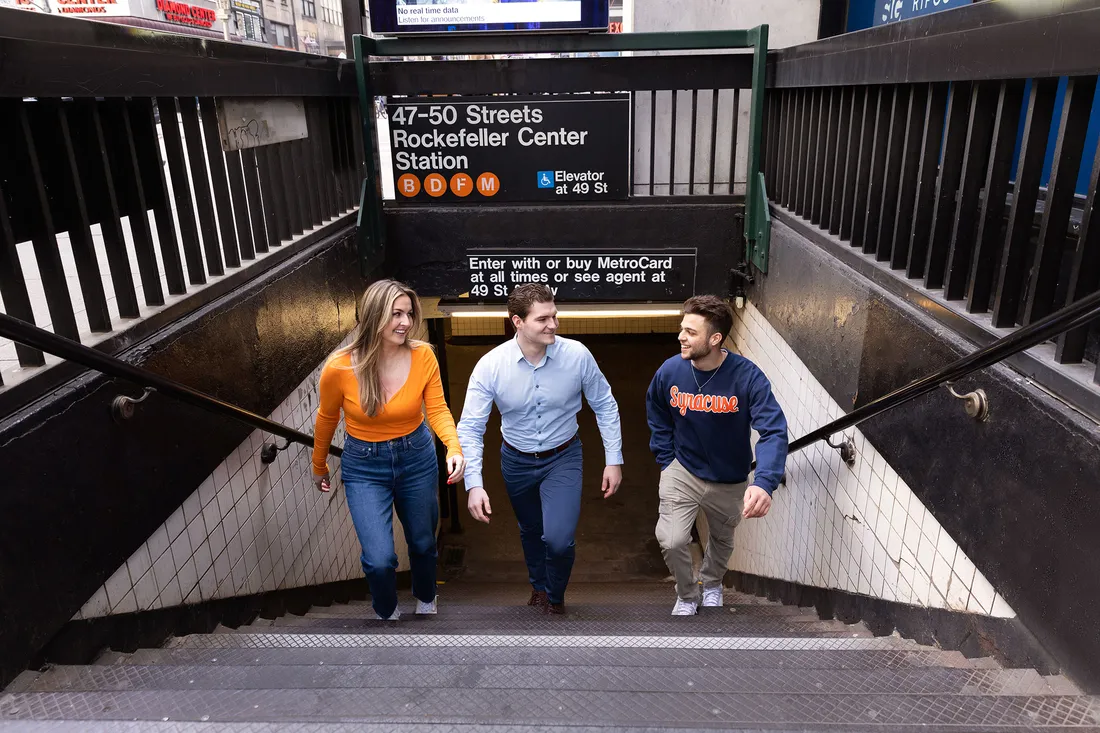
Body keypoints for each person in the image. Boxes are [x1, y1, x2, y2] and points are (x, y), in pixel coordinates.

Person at [456, 284, 623, 614]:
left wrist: (613, 459)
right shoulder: (491, 366)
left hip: (563, 457)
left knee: (558, 539)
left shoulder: (577, 356)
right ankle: (538, 586)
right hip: (516, 461)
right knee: (531, 529)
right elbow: (471, 428)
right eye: (543, 319)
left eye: (555, 316)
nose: (553, 325)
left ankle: (555, 595)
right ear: (517, 321)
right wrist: (473, 484)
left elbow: (605, 405)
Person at [312, 279, 464, 621]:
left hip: (417, 458)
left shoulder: (423, 355)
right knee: (379, 559)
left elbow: (437, 409)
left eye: (409, 314)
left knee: (423, 542)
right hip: (364, 466)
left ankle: (426, 596)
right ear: (373, 315)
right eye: (396, 314)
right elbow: (326, 419)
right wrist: (318, 464)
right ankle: (387, 610)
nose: (405, 322)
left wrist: (453, 446)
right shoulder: (340, 367)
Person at [646, 295, 788, 616]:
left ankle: (711, 583)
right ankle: (686, 594)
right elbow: (655, 408)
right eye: (682, 328)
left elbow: (773, 429)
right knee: (671, 539)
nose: (681, 337)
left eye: (691, 332)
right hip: (682, 469)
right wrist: (666, 456)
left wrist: (764, 482)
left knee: (722, 540)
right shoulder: (671, 371)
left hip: (730, 477)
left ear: (715, 339)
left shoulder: (747, 377)